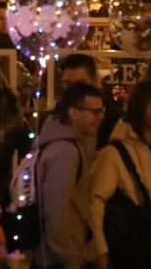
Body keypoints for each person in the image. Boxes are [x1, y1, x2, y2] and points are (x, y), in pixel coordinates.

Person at [84, 82, 151, 267]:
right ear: (140, 112)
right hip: (136, 246)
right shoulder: (115, 154)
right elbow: (95, 201)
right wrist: (100, 249)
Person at [31, 83, 103, 268]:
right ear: (74, 112)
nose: (100, 118)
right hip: (58, 258)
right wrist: (70, 257)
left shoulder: (66, 144)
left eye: (101, 112)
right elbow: (56, 210)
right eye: (94, 112)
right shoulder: (65, 152)